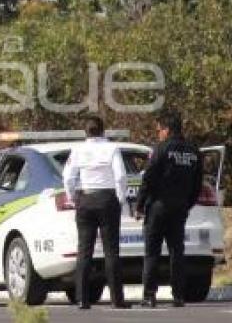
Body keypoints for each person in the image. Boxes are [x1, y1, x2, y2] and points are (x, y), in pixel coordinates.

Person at [136, 110, 203, 308]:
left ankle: (149, 295)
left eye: (159, 130)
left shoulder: (161, 149)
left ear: (167, 129)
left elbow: (148, 178)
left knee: (152, 252)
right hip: (180, 207)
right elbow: (197, 184)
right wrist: (187, 204)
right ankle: (179, 295)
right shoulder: (193, 151)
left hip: (158, 206)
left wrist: (140, 205)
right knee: (177, 252)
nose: (158, 134)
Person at [63, 116, 130, 310]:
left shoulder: (77, 150)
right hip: (107, 198)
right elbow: (121, 176)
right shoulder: (112, 148)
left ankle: (82, 299)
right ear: (103, 131)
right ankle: (117, 299)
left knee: (84, 250)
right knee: (111, 251)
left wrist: (73, 197)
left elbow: (67, 177)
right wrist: (120, 198)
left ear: (86, 132)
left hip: (85, 199)